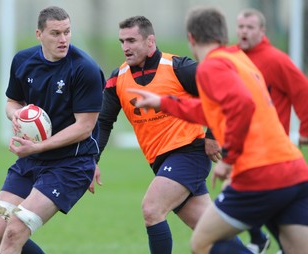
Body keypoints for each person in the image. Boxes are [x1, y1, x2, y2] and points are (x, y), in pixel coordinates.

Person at [128, 6, 308, 254]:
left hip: (260, 172)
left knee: (203, 242)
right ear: (225, 34)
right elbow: (217, 110)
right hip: (295, 169)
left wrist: (229, 159)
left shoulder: (212, 67)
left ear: (191, 38)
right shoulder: (240, 59)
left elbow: (241, 105)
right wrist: (163, 102)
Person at [94, 15, 223, 254]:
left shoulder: (177, 67)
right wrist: (93, 161)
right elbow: (103, 122)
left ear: (150, 41)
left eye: (132, 40)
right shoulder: (117, 78)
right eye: (122, 41)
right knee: (209, 231)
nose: (125, 47)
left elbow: (218, 91)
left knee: (152, 209)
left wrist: (213, 135)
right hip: (159, 161)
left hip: (189, 151)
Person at [0, 6, 105, 254]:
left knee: (16, 229)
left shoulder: (85, 69)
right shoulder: (23, 61)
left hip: (71, 164)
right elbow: (12, 103)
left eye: (67, 32)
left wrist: (37, 146)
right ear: (39, 34)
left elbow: (84, 127)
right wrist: (16, 115)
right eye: (55, 33)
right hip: (31, 159)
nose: (63, 40)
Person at [234, 8, 308, 254]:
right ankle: (263, 239)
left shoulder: (276, 59)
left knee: (262, 199)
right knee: (249, 197)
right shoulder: (233, 58)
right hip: (243, 145)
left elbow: (302, 92)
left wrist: (305, 130)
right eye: (241, 27)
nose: (244, 32)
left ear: (262, 31)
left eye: (250, 27)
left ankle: (271, 242)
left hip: (273, 150)